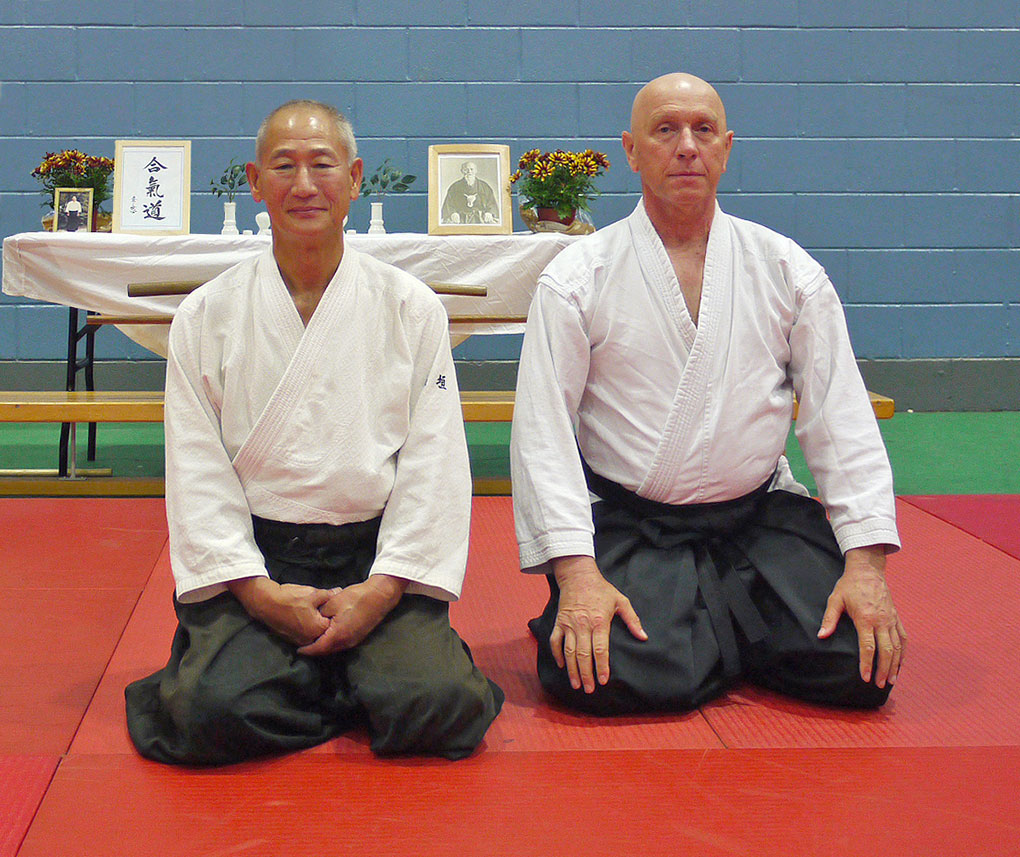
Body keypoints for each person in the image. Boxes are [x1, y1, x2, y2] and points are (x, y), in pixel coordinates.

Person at [510, 73, 906, 715]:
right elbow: (543, 434)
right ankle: (727, 633)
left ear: (726, 147)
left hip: (758, 519)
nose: (687, 146)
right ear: (631, 151)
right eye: (665, 130)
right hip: (635, 526)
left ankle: (704, 635)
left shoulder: (786, 269)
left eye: (702, 130)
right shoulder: (578, 278)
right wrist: (576, 575)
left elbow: (841, 420)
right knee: (600, 677)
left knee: (859, 667)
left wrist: (865, 568)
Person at [125, 100, 503, 765]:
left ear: (354, 179)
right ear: (254, 181)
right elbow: (197, 471)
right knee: (209, 713)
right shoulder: (207, 314)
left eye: (322, 165)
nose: (304, 185)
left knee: (443, 705)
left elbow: (434, 464)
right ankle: (353, 684)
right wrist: (258, 592)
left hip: (376, 559)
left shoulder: (410, 307)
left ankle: (330, 674)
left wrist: (383, 589)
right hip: (259, 561)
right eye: (284, 166)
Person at [441, 160, 499, 224]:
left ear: (476, 171)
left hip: (480, 217)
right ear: (462, 171)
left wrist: (489, 213)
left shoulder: (484, 186)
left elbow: (491, 203)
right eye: (466, 170)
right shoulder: (454, 187)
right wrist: (453, 213)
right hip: (460, 218)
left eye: (472, 169)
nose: (469, 172)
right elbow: (448, 204)